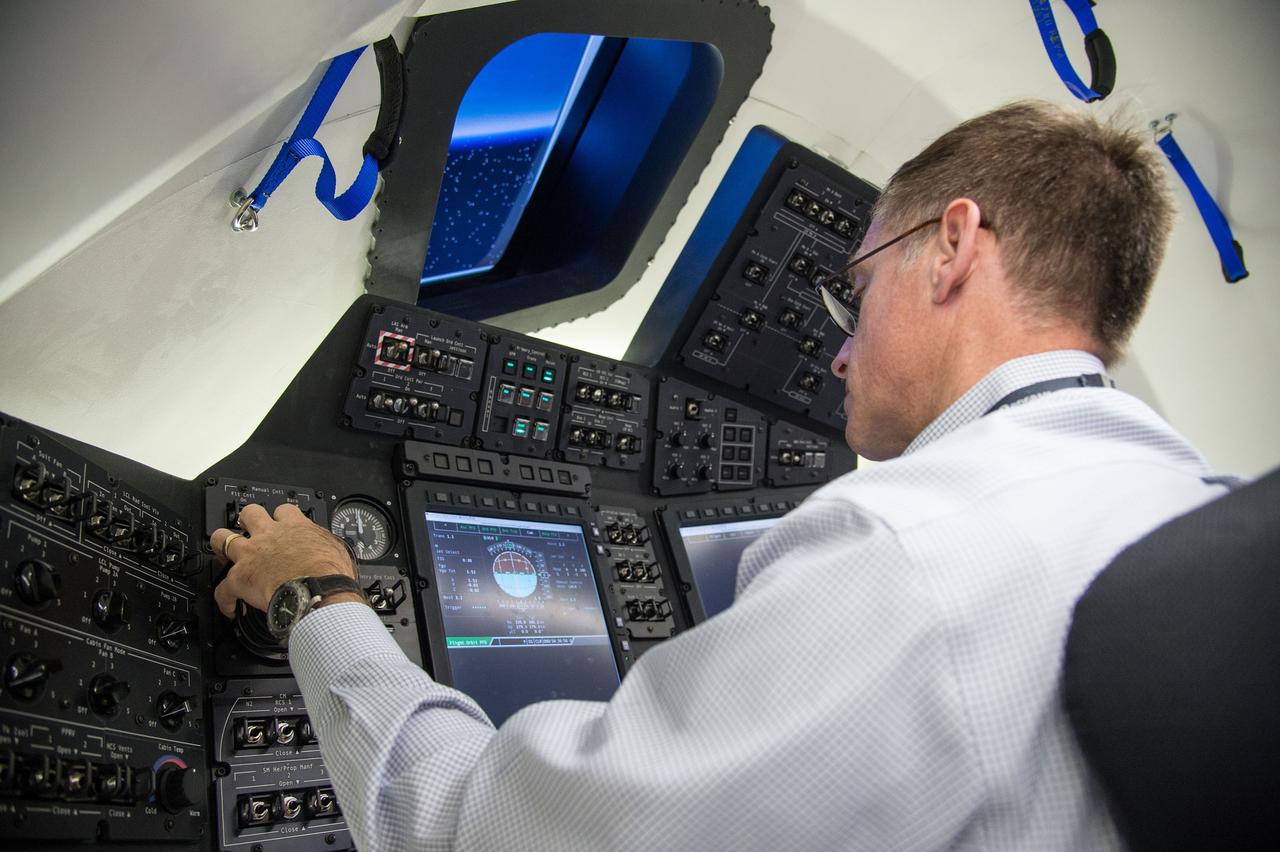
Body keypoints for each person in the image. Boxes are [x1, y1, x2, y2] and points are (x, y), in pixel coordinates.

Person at [212, 100, 1231, 851]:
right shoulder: (1191, 504)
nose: (840, 354)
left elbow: (476, 832)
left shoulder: (907, 547)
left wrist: (322, 598)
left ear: (951, 248)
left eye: (856, 292)